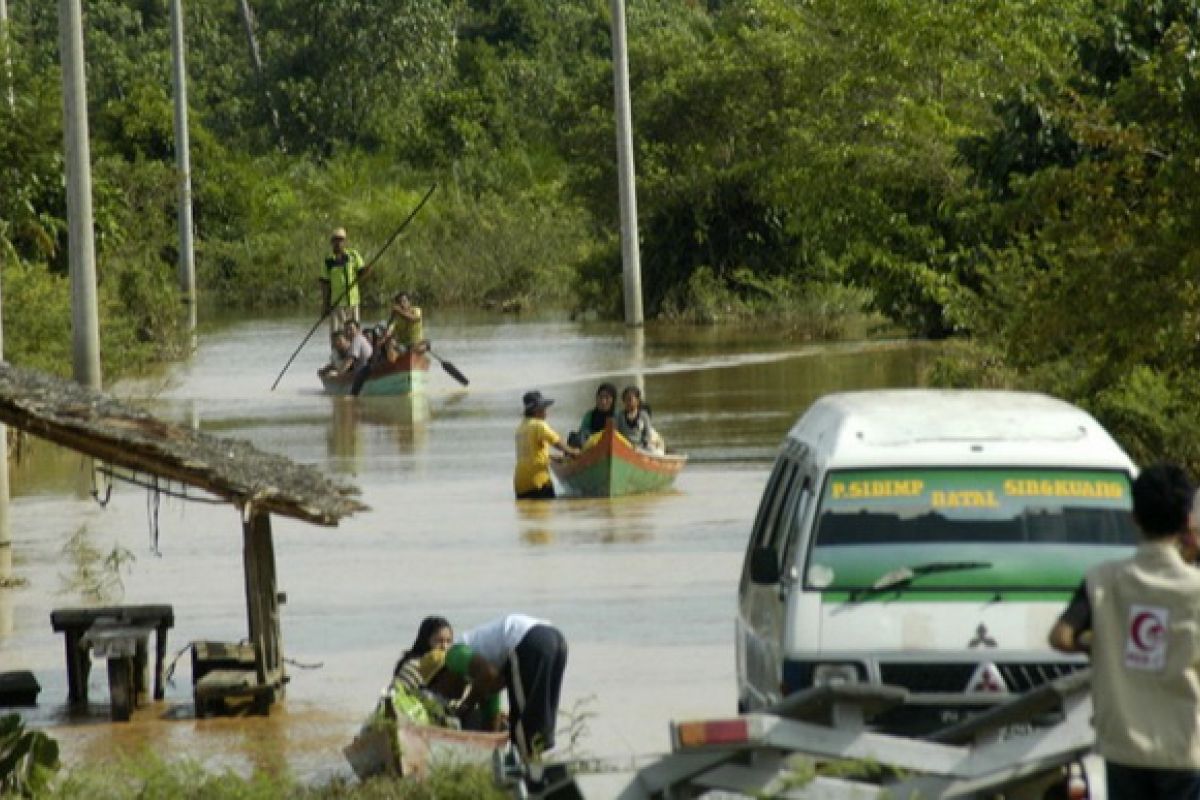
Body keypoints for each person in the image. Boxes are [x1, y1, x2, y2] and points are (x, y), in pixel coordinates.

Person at [1048, 463, 1200, 799]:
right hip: (1184, 745)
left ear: (1134, 515)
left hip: (1123, 747)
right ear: (1185, 521)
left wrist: (1098, 642)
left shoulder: (1103, 579)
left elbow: (1061, 637)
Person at [444, 613, 568, 774]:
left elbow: (488, 674)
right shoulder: (484, 679)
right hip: (555, 639)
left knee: (524, 724)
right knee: (538, 718)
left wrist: (466, 705)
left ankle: (530, 777)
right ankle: (537, 772)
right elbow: (492, 717)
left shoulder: (453, 655)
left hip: (526, 641)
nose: (452, 695)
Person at [514, 390, 578, 500]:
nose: (546, 412)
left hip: (520, 484)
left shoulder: (520, 428)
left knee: (528, 515)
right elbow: (556, 441)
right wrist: (572, 452)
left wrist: (551, 457)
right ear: (537, 410)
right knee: (544, 513)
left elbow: (530, 455)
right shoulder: (539, 425)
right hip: (538, 481)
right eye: (544, 408)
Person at [320, 227, 365, 345]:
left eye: (341, 240)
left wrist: (366, 271)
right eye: (335, 240)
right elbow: (325, 283)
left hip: (353, 301)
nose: (338, 243)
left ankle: (355, 354)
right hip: (337, 303)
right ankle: (337, 357)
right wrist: (325, 305)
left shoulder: (353, 255)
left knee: (354, 333)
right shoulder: (328, 261)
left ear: (345, 242)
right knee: (337, 333)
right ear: (332, 242)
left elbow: (362, 272)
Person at [393, 616, 454, 681]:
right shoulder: (412, 667)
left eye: (448, 641)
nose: (444, 646)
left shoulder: (449, 667)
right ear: (425, 640)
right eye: (439, 641)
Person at [615, 385, 664, 454]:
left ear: (637, 401)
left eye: (630, 399)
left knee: (655, 452)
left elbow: (647, 434)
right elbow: (616, 433)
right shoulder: (619, 416)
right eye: (625, 400)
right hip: (624, 446)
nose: (627, 402)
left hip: (641, 447)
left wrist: (643, 445)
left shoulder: (643, 415)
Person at [572, 382, 617, 449]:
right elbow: (582, 433)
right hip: (592, 446)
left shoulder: (618, 415)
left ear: (613, 400)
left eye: (607, 398)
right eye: (600, 397)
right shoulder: (589, 415)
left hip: (615, 447)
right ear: (596, 398)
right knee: (574, 436)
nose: (603, 401)